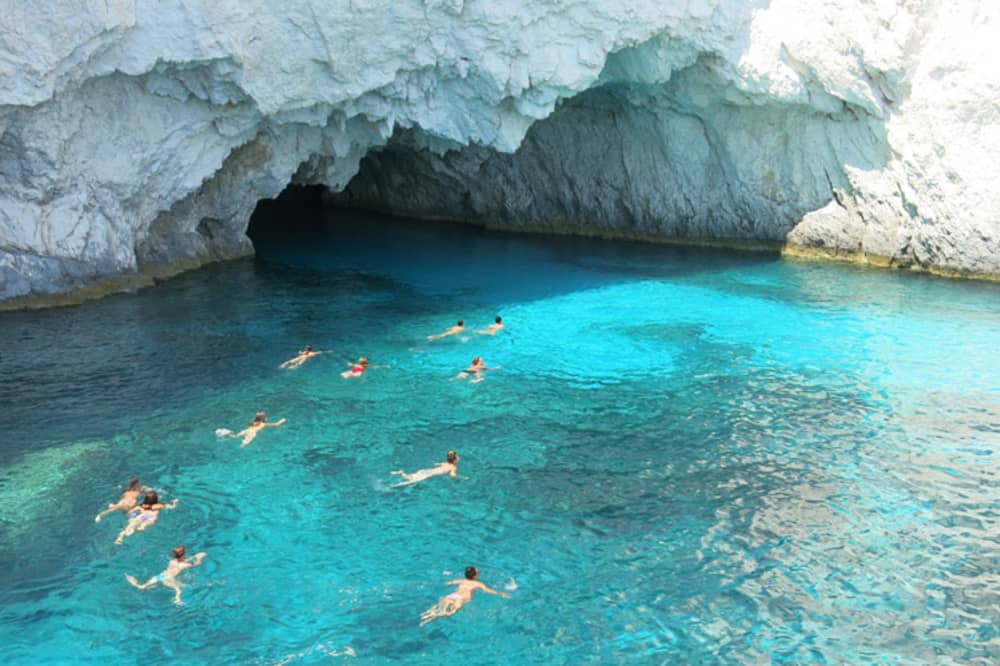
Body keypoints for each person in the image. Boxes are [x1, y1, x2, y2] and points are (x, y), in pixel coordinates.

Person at [420, 566, 510, 626]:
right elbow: (488, 590)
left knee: (438, 607)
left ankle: (427, 614)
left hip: (452, 595)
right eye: (478, 572)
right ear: (475, 576)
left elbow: (448, 583)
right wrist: (501, 593)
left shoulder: (461, 581)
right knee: (451, 612)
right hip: (462, 599)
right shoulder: (478, 583)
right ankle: (434, 617)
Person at [125, 546, 206, 605]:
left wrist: (191, 557)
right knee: (178, 590)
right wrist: (198, 558)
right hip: (169, 579)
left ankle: (134, 582)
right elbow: (196, 564)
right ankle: (177, 599)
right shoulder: (185, 565)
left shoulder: (171, 561)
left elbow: (180, 561)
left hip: (161, 576)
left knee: (143, 586)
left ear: (174, 555)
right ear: (184, 554)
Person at [390, 450, 461, 488]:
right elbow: (452, 475)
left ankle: (401, 472)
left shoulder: (444, 463)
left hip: (426, 471)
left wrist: (436, 464)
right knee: (411, 481)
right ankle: (395, 486)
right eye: (458, 457)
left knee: (411, 477)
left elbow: (437, 464)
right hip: (430, 474)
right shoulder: (453, 467)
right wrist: (461, 477)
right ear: (455, 460)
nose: (459, 458)